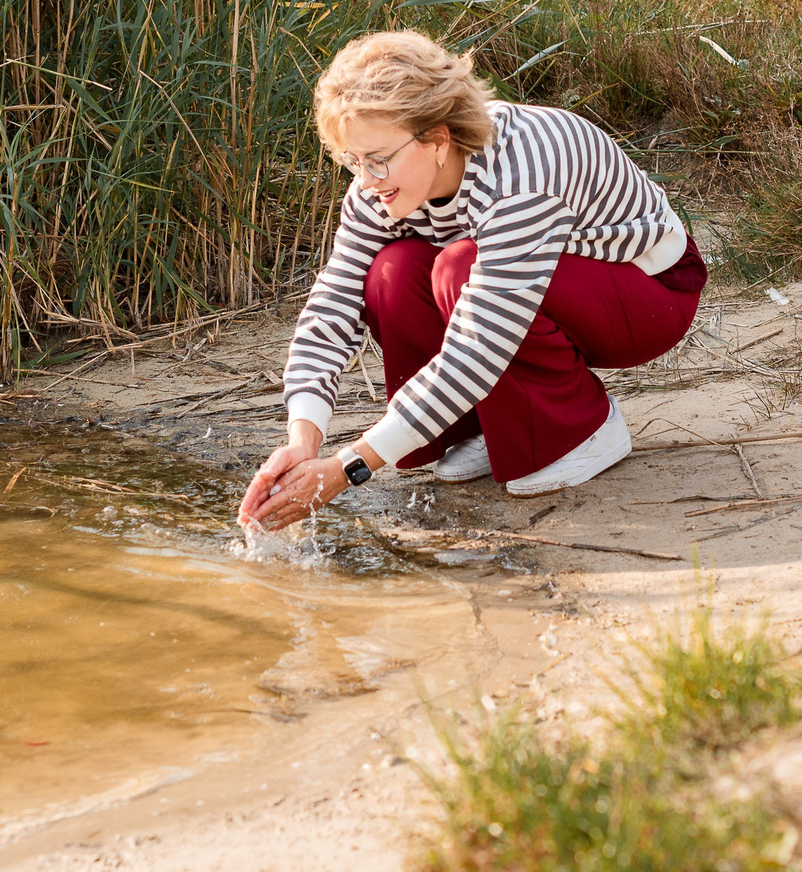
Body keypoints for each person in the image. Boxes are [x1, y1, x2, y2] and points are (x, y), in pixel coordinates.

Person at [241, 30, 706, 531]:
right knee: (391, 273)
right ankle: (476, 426)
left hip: (648, 295)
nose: (366, 180)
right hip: (527, 291)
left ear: (438, 140)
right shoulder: (376, 189)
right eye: (352, 160)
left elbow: (480, 342)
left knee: (458, 266)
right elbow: (334, 303)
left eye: (377, 159)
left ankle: (584, 428)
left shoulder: (520, 173)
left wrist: (350, 466)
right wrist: (302, 438)